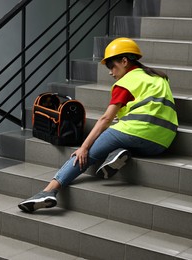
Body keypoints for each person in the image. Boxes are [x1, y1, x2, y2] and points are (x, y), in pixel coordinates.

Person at [18, 37, 178, 213]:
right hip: (162, 143)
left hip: (134, 130)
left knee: (85, 156)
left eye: (112, 66)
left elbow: (105, 119)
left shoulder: (125, 83)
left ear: (124, 61)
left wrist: (84, 147)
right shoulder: (160, 78)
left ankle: (48, 191)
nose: (110, 72)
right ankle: (118, 153)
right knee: (126, 139)